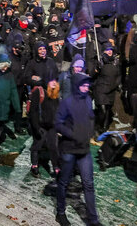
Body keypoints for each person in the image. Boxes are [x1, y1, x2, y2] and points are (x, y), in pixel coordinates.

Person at [54, 72, 100, 226]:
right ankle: (60, 213)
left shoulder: (87, 100)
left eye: (88, 85)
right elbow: (58, 123)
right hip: (69, 149)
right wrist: (72, 134)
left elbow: (91, 117)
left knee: (88, 184)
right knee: (64, 182)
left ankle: (93, 220)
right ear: (76, 85)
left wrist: (89, 132)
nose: (86, 88)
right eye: (83, 85)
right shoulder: (66, 103)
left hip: (84, 149)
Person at [0, 53, 20, 161]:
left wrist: (17, 107)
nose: (4, 69)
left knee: (0, 127)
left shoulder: (9, 76)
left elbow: (13, 91)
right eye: (3, 66)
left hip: (4, 107)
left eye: (6, 66)